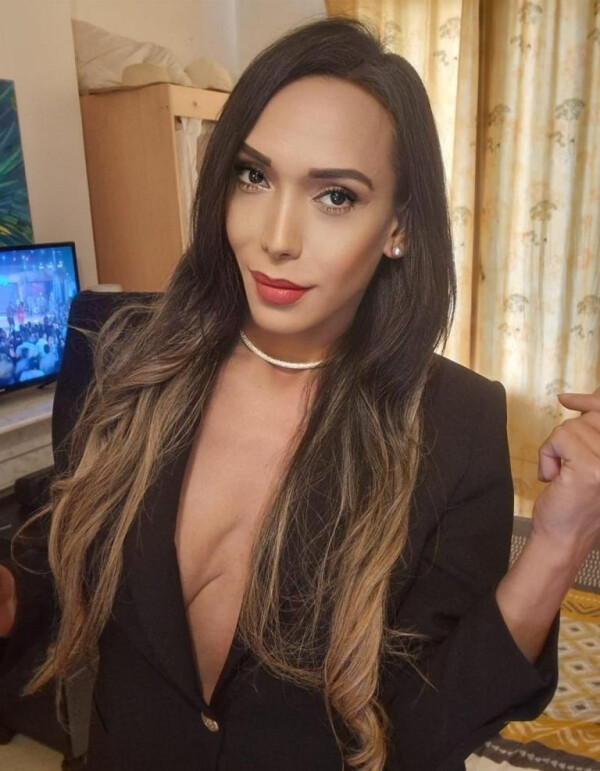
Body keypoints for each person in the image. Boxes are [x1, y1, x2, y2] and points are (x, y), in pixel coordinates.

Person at [0, 17, 599, 771]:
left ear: (399, 228)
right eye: (254, 176)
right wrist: (13, 591)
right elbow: (73, 551)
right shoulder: (127, 358)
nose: (276, 236)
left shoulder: (456, 423)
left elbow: (430, 725)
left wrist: (560, 544)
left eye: (336, 196)